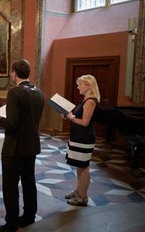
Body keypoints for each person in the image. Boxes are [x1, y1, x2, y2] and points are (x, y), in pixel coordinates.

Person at [0, 59, 44, 232]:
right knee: (29, 181)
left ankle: (12, 223)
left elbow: (12, 124)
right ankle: (29, 216)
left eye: (11, 73)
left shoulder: (15, 92)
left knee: (11, 185)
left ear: (14, 72)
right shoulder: (38, 92)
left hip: (14, 147)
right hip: (31, 145)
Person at [63, 74, 100, 206]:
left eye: (80, 84)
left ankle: (83, 197)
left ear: (88, 85)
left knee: (83, 167)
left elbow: (85, 122)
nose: (77, 87)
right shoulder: (86, 99)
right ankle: (79, 190)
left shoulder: (90, 101)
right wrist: (70, 116)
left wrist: (71, 118)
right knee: (80, 166)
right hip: (78, 137)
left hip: (84, 138)